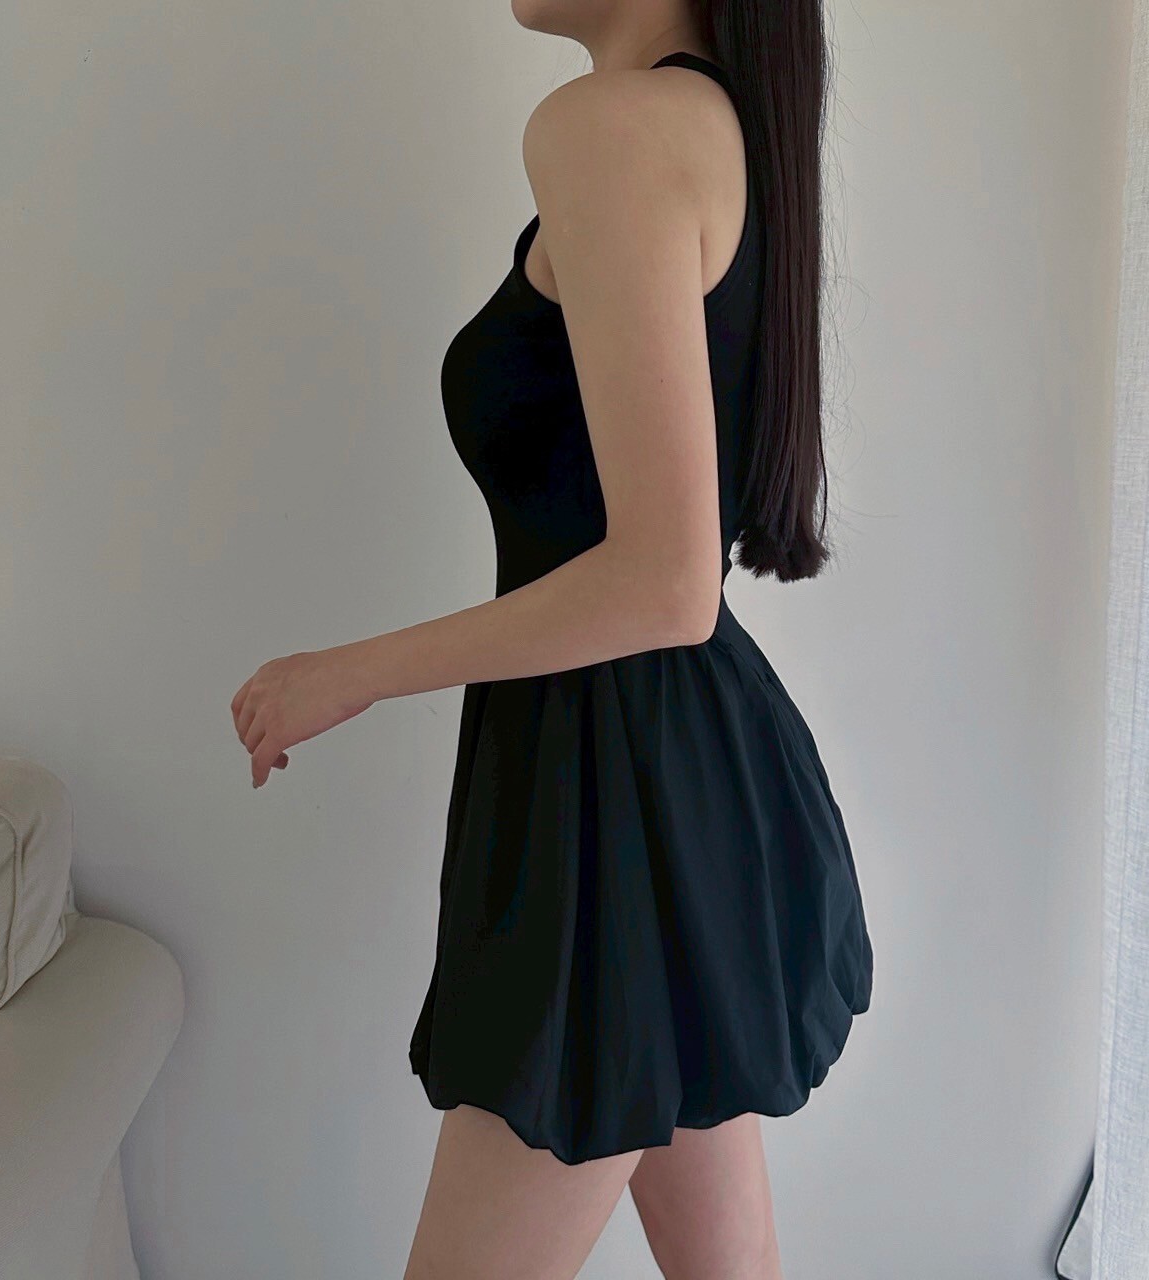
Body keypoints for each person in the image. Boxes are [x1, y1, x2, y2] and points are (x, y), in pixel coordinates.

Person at [230, 3, 874, 1276]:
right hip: (663, 777)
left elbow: (664, 583)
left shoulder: (612, 129)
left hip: (610, 798)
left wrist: (343, 674)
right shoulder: (711, 124)